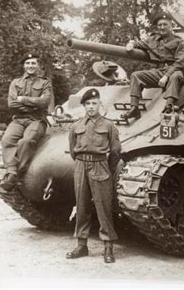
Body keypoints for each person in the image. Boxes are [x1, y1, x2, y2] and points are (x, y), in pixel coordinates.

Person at [66, 88, 121, 264]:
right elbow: (73, 149)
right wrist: (82, 162)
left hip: (100, 166)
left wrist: (107, 168)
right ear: (84, 106)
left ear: (99, 105)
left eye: (94, 103)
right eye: (88, 104)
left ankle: (108, 246)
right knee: (81, 207)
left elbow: (115, 151)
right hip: (81, 166)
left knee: (103, 208)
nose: (91, 107)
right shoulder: (76, 126)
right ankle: (82, 245)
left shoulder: (109, 126)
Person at [0, 53, 52, 193]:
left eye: (33, 63)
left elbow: (45, 101)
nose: (30, 66)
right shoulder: (15, 82)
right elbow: (12, 104)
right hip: (18, 120)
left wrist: (22, 99)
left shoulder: (44, 82)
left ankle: (14, 175)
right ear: (24, 65)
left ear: (38, 65)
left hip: (36, 120)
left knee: (26, 141)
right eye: (28, 63)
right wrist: (33, 103)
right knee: (7, 140)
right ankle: (12, 172)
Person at [121, 12, 184, 120]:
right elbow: (140, 44)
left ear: (171, 26)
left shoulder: (178, 41)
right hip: (159, 71)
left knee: (174, 77)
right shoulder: (152, 40)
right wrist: (131, 44)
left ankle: (168, 106)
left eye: (165, 24)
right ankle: (134, 108)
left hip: (175, 70)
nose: (162, 27)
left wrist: (166, 76)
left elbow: (180, 63)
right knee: (135, 75)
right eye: (160, 25)